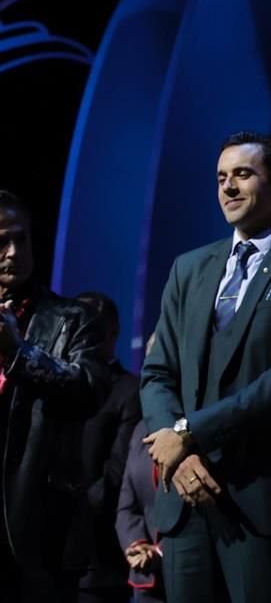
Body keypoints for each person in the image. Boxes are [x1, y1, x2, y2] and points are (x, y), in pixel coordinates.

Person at [140, 131, 271, 602]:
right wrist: (180, 454)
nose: (229, 187)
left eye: (243, 174)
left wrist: (188, 433)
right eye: (221, 178)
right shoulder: (188, 268)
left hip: (260, 497)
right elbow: (157, 373)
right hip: (185, 495)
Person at [0, 190, 110, 602]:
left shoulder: (72, 319)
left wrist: (18, 351)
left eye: (21, 239)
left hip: (40, 524)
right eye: (1, 242)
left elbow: (89, 389)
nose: (13, 253)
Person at [72, 291, 142, 603]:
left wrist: (70, 517)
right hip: (43, 553)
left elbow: (117, 472)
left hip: (96, 559)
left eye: (92, 329)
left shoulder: (129, 390)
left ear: (113, 334)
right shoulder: (53, 383)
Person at [116, 418, 165, 603]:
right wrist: (137, 545)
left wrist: (160, 552)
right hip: (145, 583)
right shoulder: (142, 428)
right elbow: (126, 507)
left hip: (189, 571)